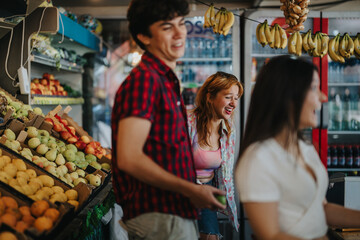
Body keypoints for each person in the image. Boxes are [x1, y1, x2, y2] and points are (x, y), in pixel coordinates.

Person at [111, 0, 226, 239]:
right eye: (166, 27)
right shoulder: (145, 81)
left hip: (172, 214)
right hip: (159, 216)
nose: (179, 33)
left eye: (181, 23)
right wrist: (191, 189)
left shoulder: (165, 80)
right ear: (144, 36)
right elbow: (129, 158)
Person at [235, 55, 360, 240]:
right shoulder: (258, 158)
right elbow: (271, 235)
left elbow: (321, 209)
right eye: (313, 88)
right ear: (288, 96)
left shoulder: (304, 147)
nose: (323, 97)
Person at [187, 72, 243, 240]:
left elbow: (225, 174)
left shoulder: (228, 129)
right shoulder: (187, 122)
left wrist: (227, 205)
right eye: (228, 97)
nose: (233, 103)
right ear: (210, 97)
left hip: (208, 189)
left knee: (211, 237)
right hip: (182, 188)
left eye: (236, 98)